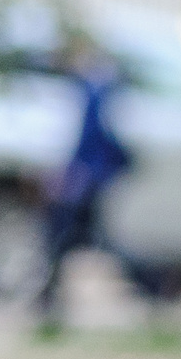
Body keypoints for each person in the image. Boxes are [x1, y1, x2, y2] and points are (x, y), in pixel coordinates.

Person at [34, 33, 133, 333]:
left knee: (77, 236)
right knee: (79, 237)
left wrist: (79, 172)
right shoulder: (94, 88)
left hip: (90, 175)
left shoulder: (96, 90)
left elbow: (93, 138)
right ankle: (50, 294)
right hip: (91, 175)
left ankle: (152, 283)